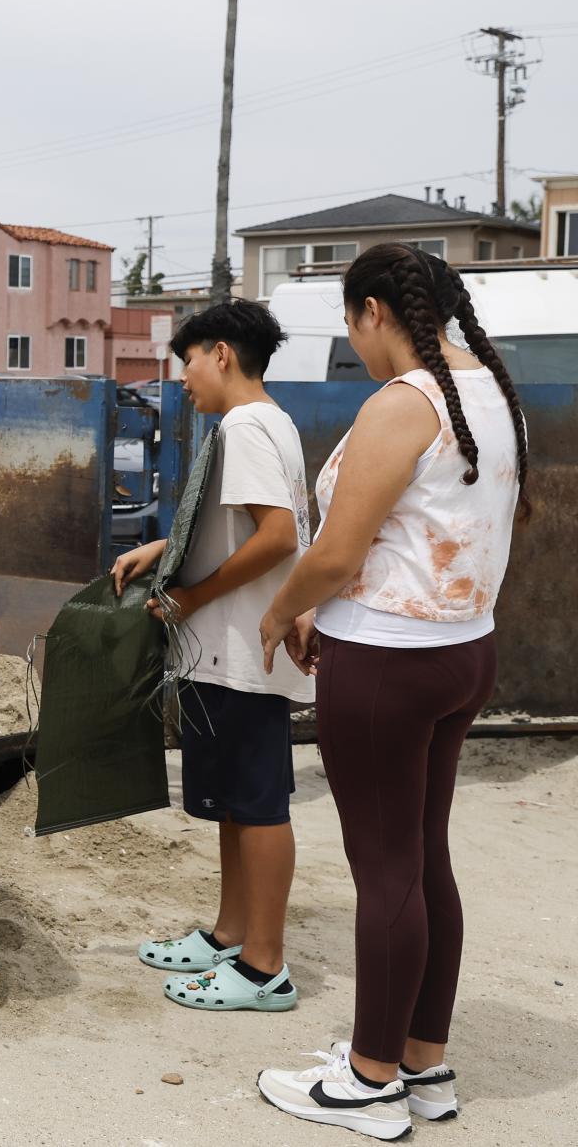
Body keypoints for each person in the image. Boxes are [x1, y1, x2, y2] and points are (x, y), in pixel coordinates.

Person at [254, 244, 528, 1140]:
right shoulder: (489, 388)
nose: (352, 339)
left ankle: (368, 1080)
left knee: (385, 871)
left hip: (387, 662)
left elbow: (335, 553)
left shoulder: (402, 405)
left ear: (375, 310)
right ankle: (422, 1062)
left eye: (348, 321)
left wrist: (282, 613)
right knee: (422, 860)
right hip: (463, 651)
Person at [111, 300, 312, 1014]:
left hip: (239, 645)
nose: (185, 378)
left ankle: (265, 968)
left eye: (188, 362)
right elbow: (233, 528)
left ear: (221, 352)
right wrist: (163, 549)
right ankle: (232, 934)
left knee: (258, 804)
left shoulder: (247, 427)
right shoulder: (272, 422)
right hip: (227, 649)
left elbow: (280, 536)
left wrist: (192, 598)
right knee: (235, 799)